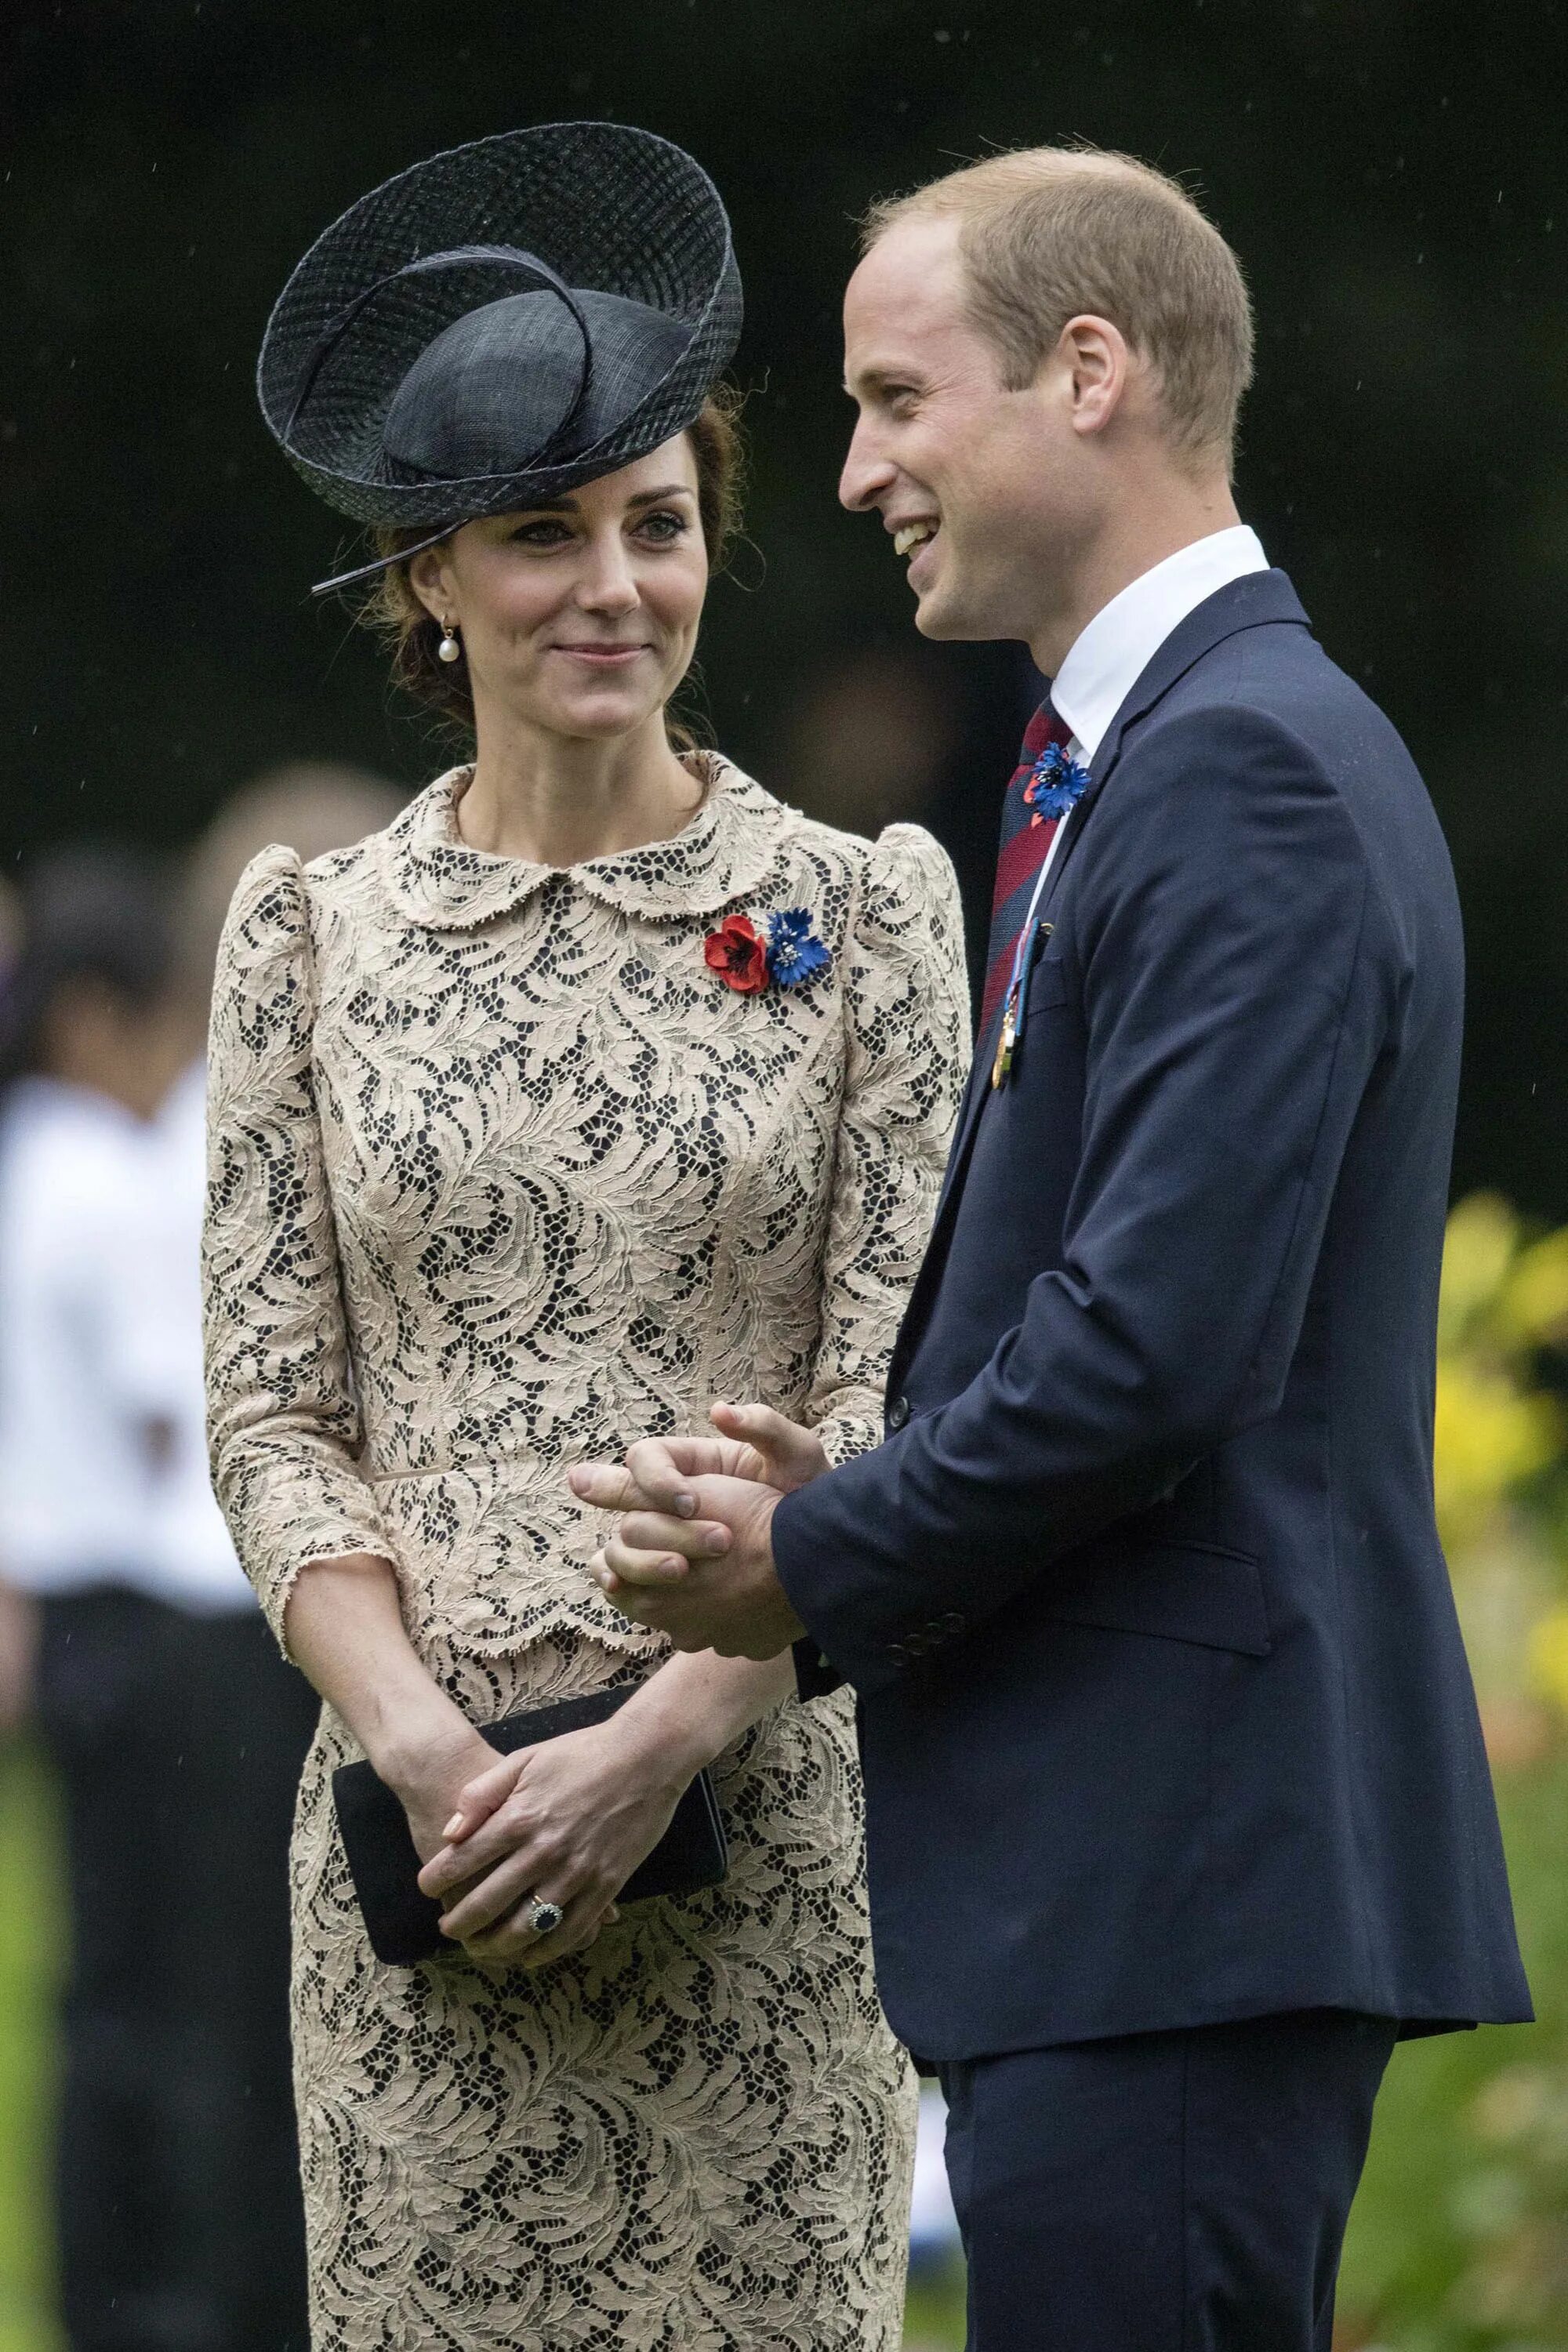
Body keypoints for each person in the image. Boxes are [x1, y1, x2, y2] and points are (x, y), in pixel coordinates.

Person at [576, 146, 1534, 2350]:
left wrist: (811, 1560)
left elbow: (1159, 1348)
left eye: (899, 397)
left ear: (1085, 372)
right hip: (1151, 1884)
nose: (854, 471)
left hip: (1178, 1877)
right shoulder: (1173, 754)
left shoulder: (1241, 774)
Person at [203, 122, 968, 2351]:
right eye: (544, 537)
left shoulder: (863, 912)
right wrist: (431, 1752)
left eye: (658, 526)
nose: (612, 585)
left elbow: (895, 1407)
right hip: (421, 1879)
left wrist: (661, 1746)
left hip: (768, 1872)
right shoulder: (309, 934)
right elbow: (270, 1412)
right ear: (429, 579)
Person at [0, 846, 315, 2352]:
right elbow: (174, 1405)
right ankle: (203, 2303)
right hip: (180, 1607)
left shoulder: (37, 1153)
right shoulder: (113, 1168)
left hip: (91, 1611)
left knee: (114, 1991)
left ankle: (110, 2295)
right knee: (215, 2002)